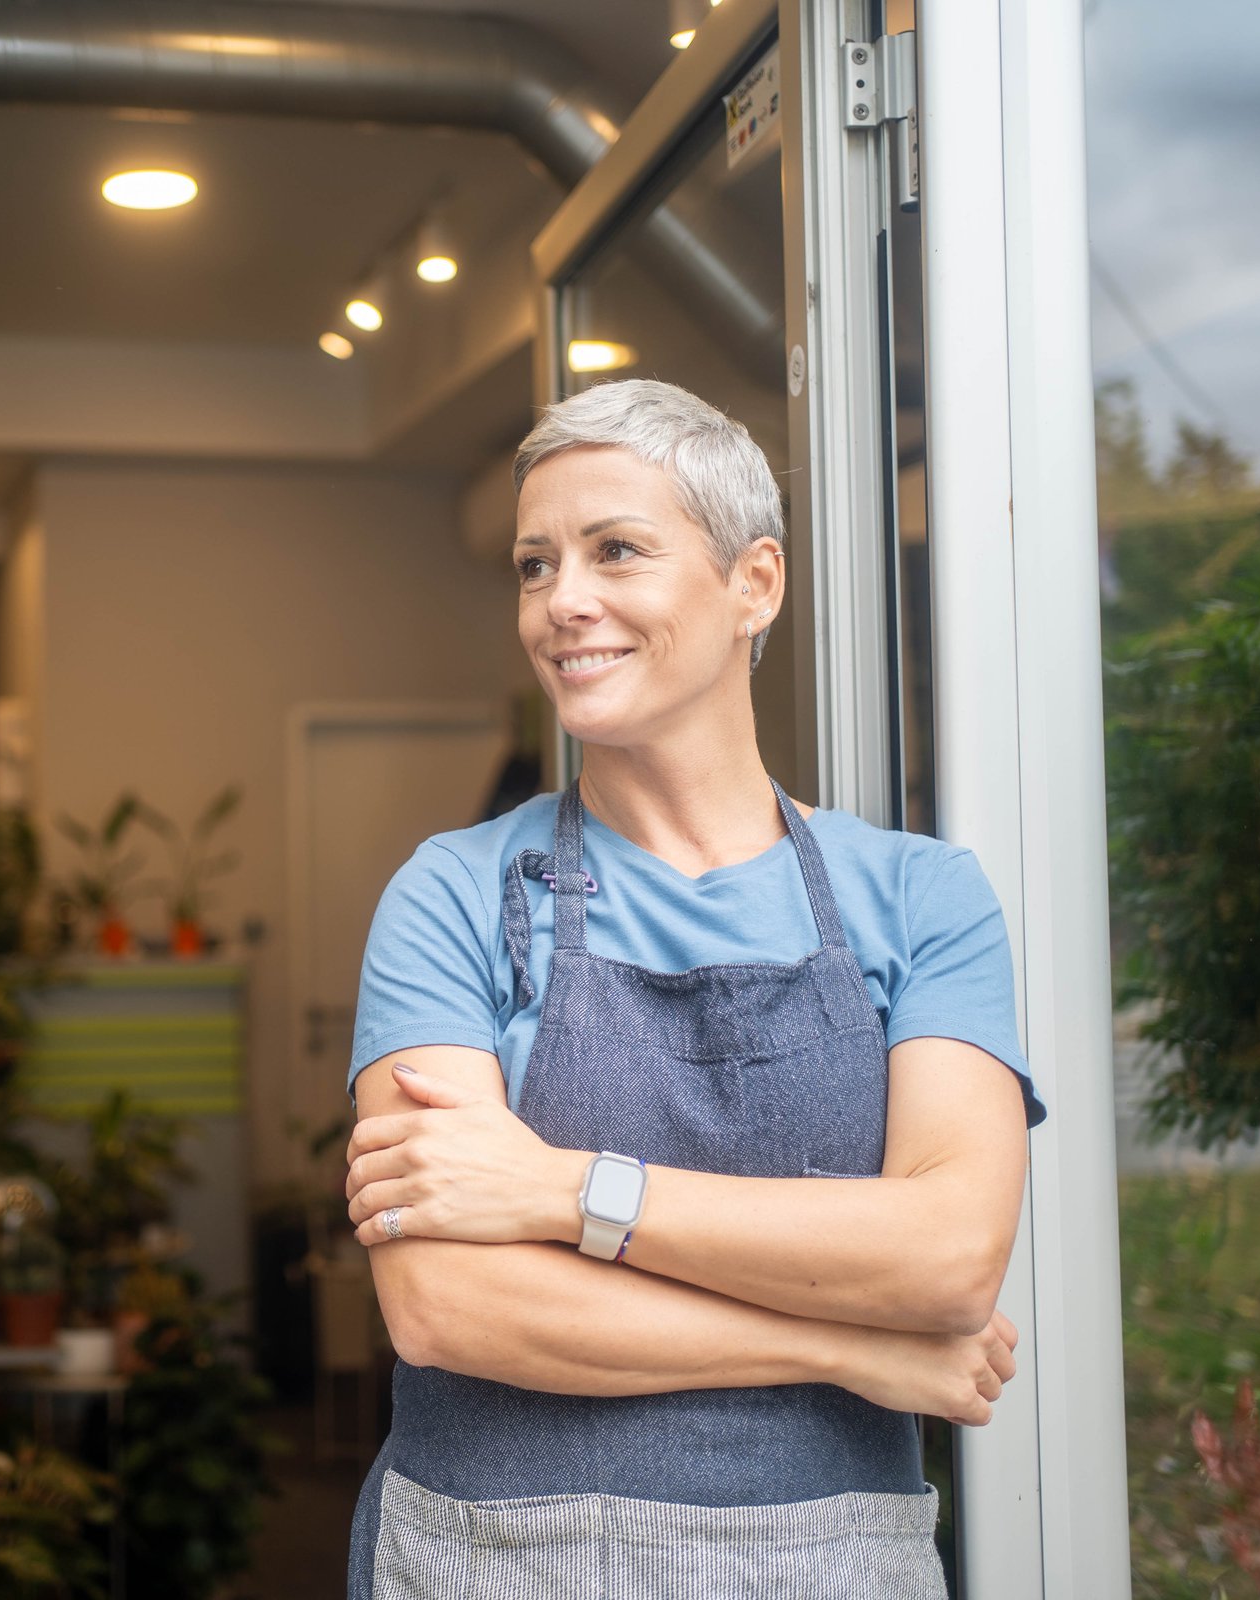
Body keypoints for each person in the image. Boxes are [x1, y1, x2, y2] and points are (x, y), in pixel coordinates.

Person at [341, 378, 1045, 1598]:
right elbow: (449, 1306)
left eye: (616, 550)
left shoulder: (922, 898)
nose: (564, 601)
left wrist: (557, 1189)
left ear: (753, 584)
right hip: (490, 1564)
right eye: (532, 563)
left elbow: (946, 1258)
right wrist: (844, 1341)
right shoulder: (452, 895)